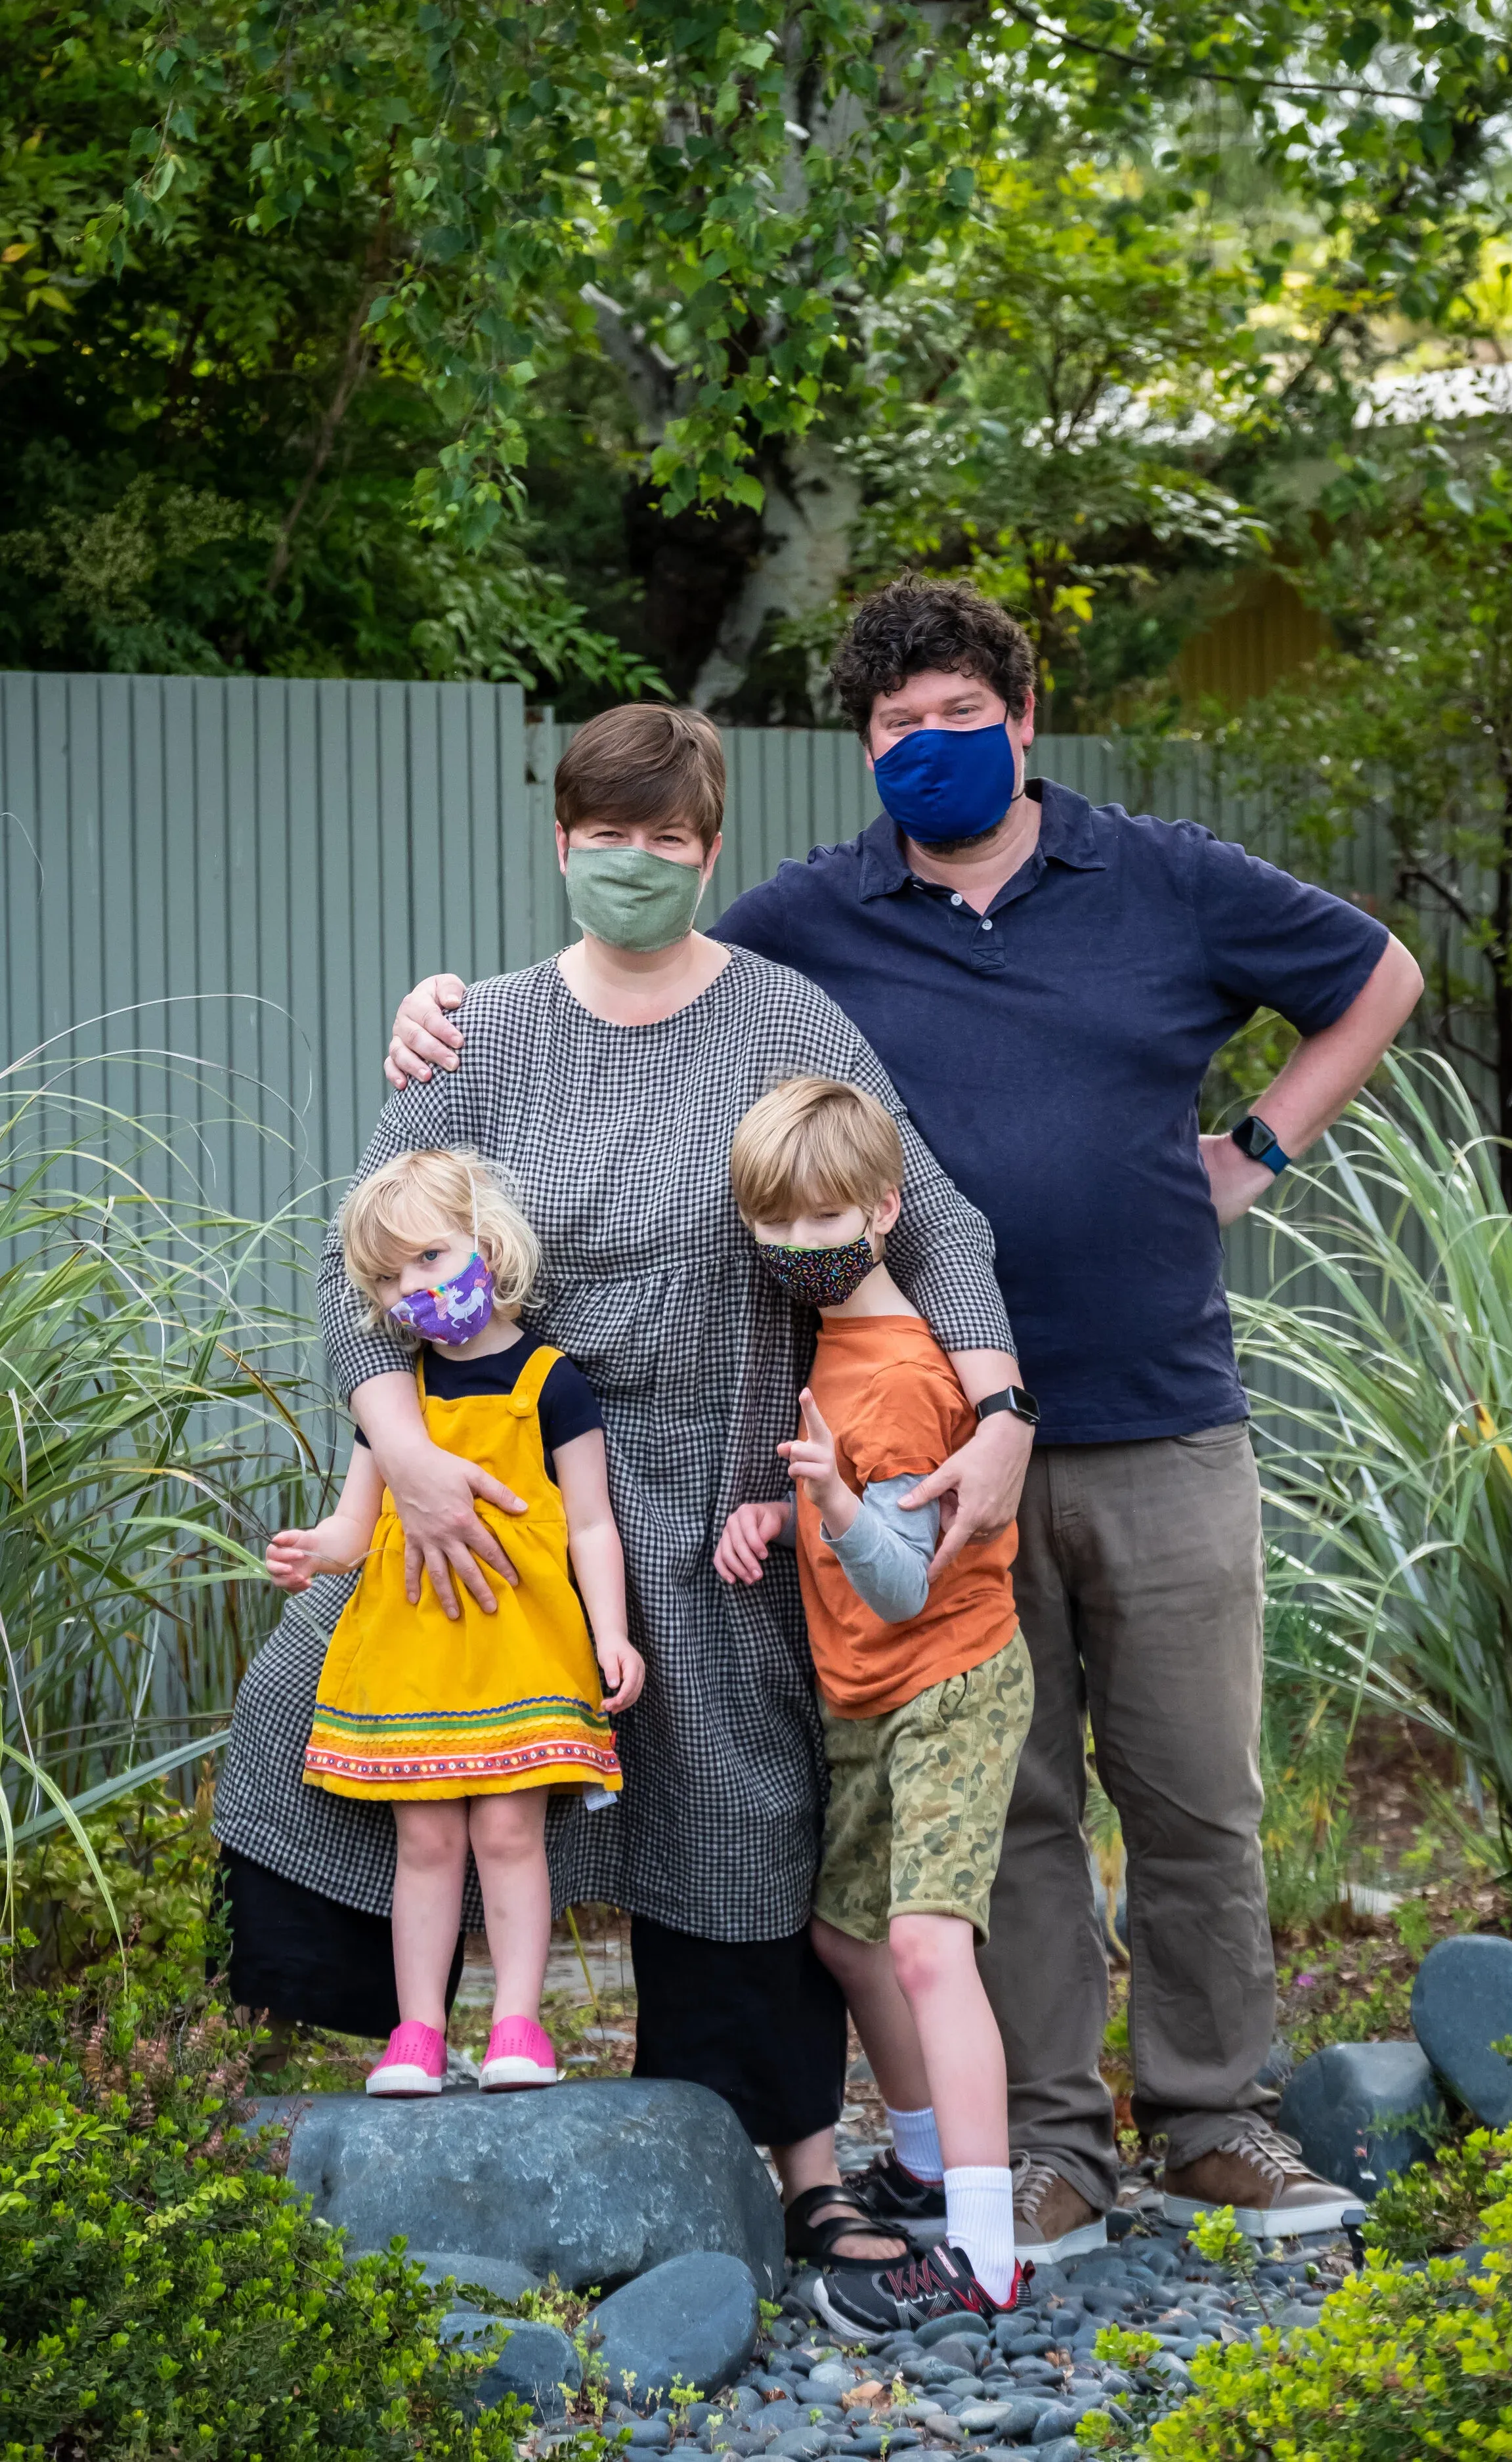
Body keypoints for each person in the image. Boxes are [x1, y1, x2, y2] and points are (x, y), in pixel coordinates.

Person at [385, 581, 1425, 2253]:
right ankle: (1052, 2140)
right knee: (1002, 1816)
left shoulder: (1162, 876)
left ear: (1022, 720)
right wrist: (443, 1009)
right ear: (862, 749)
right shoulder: (814, 919)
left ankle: (1214, 2116)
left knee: (1190, 1796)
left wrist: (1254, 1152)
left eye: (959, 717)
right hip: (910, 1453)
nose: (928, 746)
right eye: (895, 727)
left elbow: (1376, 975)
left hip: (1153, 1411)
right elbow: (643, 965)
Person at [214, 701, 1029, 2266]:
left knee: (740, 1813)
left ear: (708, 850)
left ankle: (787, 2165)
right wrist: (402, 1456)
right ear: (561, 844)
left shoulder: (785, 1018)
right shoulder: (479, 1033)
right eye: (608, 835)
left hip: (724, 1505)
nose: (636, 861)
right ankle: (335, 2103)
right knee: (312, 1699)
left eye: (667, 837)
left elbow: (928, 1219)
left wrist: (998, 1406)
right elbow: (354, 1258)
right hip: (492, 1487)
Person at [718, 1077, 1032, 2335]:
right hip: (866, 1694)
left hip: (944, 1679)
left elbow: (902, 1582)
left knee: (924, 1946)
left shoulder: (897, 1375)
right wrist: (785, 1509)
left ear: (886, 1210)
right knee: (848, 1934)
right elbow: (863, 1520)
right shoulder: (838, 1340)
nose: (798, 1247)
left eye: (824, 1220)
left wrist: (835, 1503)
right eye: (774, 1224)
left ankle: (986, 2253)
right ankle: (921, 2159)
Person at [265, 1147, 643, 2097]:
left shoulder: (553, 1382)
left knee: (509, 1837)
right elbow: (357, 1523)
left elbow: (591, 1523)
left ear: (489, 1243)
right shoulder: (397, 1400)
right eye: (389, 1278)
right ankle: (419, 2031)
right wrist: (316, 1550)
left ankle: (519, 2022)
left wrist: (611, 1633)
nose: (414, 1289)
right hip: (416, 1659)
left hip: (520, 1651)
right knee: (427, 1844)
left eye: (431, 1257)